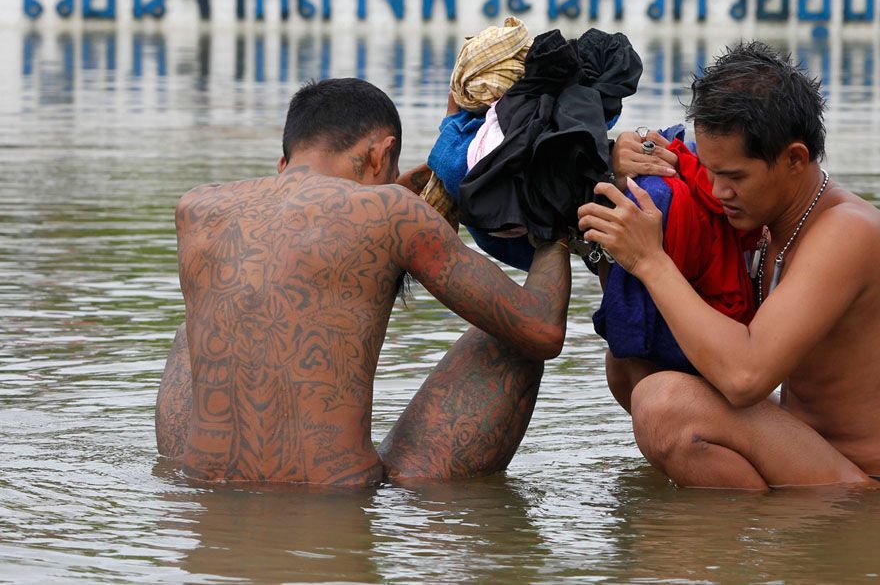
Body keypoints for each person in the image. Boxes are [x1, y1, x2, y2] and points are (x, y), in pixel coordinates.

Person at [155, 77, 571, 487]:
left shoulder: (197, 208)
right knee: (514, 336)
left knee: (194, 330)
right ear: (381, 153)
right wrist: (554, 229)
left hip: (202, 483)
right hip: (339, 495)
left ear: (284, 163)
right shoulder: (392, 210)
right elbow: (543, 329)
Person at [577, 41, 880, 489]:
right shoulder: (760, 219)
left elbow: (744, 378)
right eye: (710, 170)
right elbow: (656, 318)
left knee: (665, 404)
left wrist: (650, 260)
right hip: (821, 457)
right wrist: (620, 167)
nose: (717, 191)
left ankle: (745, 548)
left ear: (795, 159)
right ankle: (743, 544)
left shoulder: (848, 232)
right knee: (630, 363)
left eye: (734, 177)